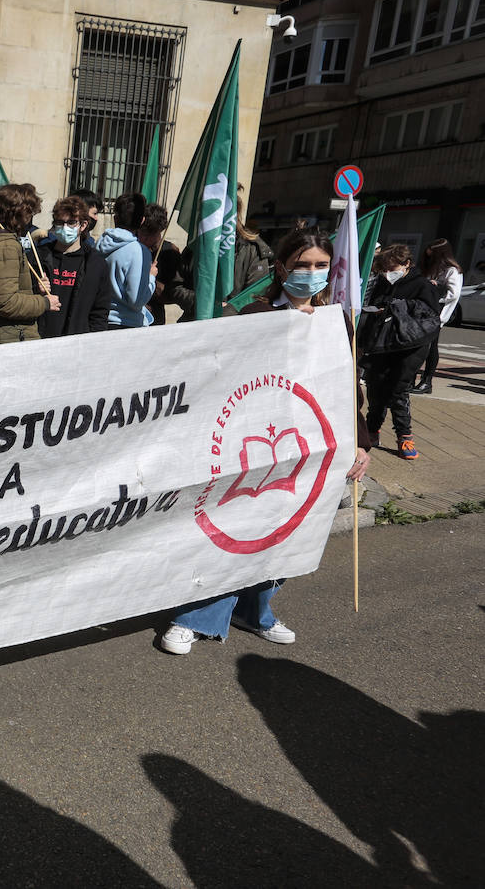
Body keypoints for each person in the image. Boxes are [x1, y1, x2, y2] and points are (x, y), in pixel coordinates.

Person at [160, 228, 371, 656]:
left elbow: (349, 389)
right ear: (281, 268)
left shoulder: (336, 321)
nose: (312, 274)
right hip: (251, 440)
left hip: (311, 445)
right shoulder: (256, 315)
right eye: (303, 265)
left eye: (320, 266)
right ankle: (197, 616)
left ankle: (257, 610)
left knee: (285, 530)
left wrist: (361, 442)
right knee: (235, 527)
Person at [360, 244, 439, 459]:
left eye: (392, 268)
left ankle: (404, 436)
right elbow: (373, 304)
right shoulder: (383, 282)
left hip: (410, 346)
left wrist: (396, 306)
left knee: (398, 389)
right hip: (382, 344)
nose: (388, 273)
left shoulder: (423, 285)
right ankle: (372, 430)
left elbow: (430, 316)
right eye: (384, 268)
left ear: (406, 264)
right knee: (376, 386)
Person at [0, 183, 58, 345]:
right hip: (5, 340)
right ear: (21, 215)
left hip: (2, 337)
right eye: (30, 214)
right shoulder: (5, 247)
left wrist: (36, 290)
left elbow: (1, 291)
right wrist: (44, 303)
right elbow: (4, 302)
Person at [35, 195, 110, 338]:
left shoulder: (96, 263)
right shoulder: (38, 257)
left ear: (83, 225)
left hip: (78, 344)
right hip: (40, 340)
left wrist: (94, 341)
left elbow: (100, 311)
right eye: (59, 222)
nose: (64, 228)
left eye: (71, 223)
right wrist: (36, 290)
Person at [413, 238, 463, 394]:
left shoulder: (452, 270)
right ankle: (411, 378)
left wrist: (434, 293)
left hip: (437, 313)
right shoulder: (430, 267)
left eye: (432, 255)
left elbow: (453, 294)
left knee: (430, 347)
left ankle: (426, 381)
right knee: (418, 345)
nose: (428, 257)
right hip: (422, 311)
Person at [100, 192, 154, 328]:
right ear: (142, 220)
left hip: (102, 319)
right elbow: (136, 300)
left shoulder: (99, 243)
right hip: (126, 324)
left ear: (115, 218)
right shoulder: (139, 251)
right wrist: (151, 277)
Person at [137, 203, 181, 326]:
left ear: (160, 231)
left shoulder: (170, 251)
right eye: (141, 232)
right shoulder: (132, 246)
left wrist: (153, 284)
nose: (142, 238)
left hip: (154, 318)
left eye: (148, 235)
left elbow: (176, 292)